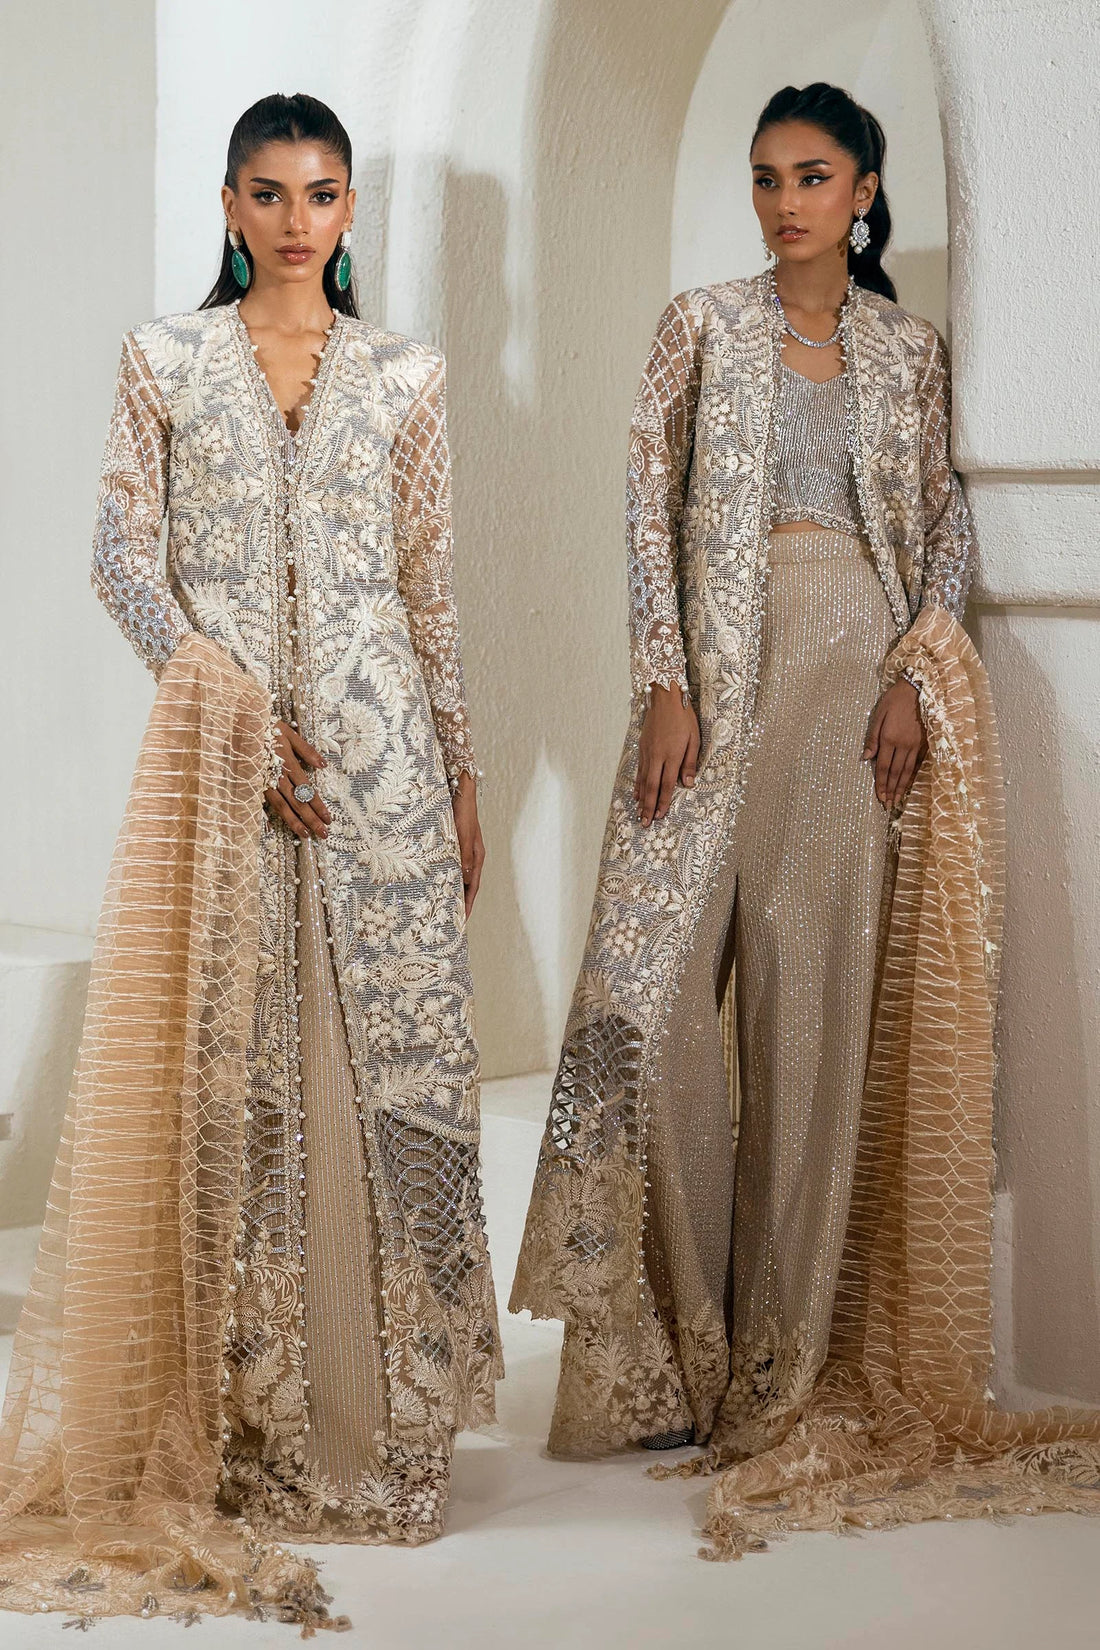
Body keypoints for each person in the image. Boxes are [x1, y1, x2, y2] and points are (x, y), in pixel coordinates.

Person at [511, 81, 1100, 1555]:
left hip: (852, 688)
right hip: (713, 682)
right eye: (768, 176)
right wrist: (663, 680)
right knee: (642, 1009)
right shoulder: (700, 326)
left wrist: (913, 671)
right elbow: (643, 507)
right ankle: (673, 1356)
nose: (786, 202)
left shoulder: (910, 350)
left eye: (815, 176)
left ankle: (778, 1370)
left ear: (866, 192)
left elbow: (945, 526)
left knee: (812, 1016)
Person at [0, 92, 500, 1626]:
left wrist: (463, 768)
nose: (296, 219)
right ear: (229, 205)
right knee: (242, 1071)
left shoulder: (406, 375)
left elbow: (429, 584)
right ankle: (253, 1420)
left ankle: (383, 1422)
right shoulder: (165, 360)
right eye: (269, 193)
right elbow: (120, 555)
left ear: (349, 211)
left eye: (322, 192)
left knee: (386, 1068)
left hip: (382, 770)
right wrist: (219, 696)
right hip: (228, 772)